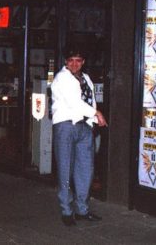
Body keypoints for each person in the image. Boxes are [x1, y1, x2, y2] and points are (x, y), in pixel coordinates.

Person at [50, 46, 107, 226]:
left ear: (83, 62)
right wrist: (97, 113)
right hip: (66, 125)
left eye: (78, 60)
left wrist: (91, 120)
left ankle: (82, 209)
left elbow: (90, 99)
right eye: (71, 60)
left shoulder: (86, 78)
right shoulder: (61, 79)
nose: (75, 64)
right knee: (65, 169)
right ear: (66, 62)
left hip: (84, 126)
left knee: (85, 170)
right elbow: (74, 103)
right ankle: (67, 211)